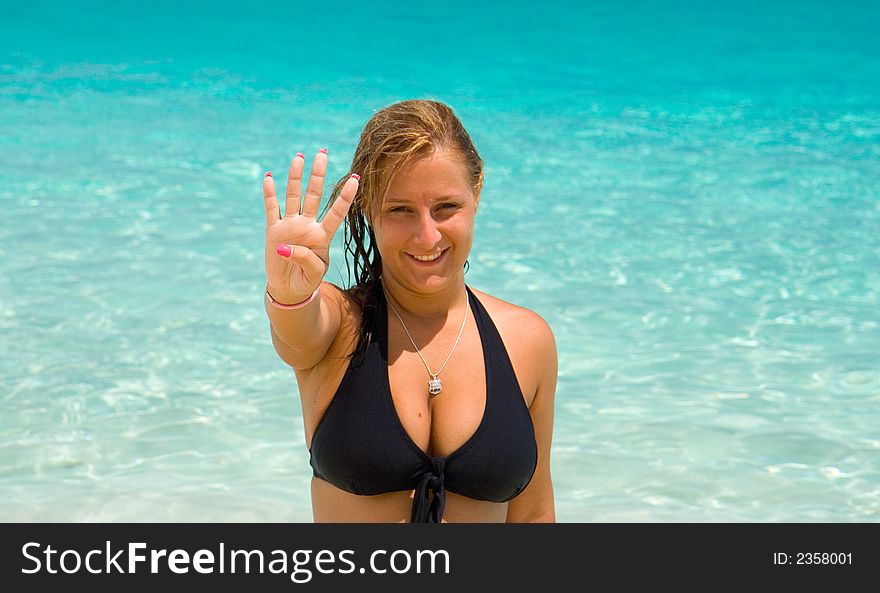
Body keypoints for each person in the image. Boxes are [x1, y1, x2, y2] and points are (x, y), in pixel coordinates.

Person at [261, 99, 557, 523]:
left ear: (478, 191)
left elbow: (534, 515)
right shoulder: (339, 325)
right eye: (400, 210)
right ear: (366, 207)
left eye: (446, 208)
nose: (427, 235)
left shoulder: (527, 341)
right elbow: (297, 330)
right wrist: (287, 293)